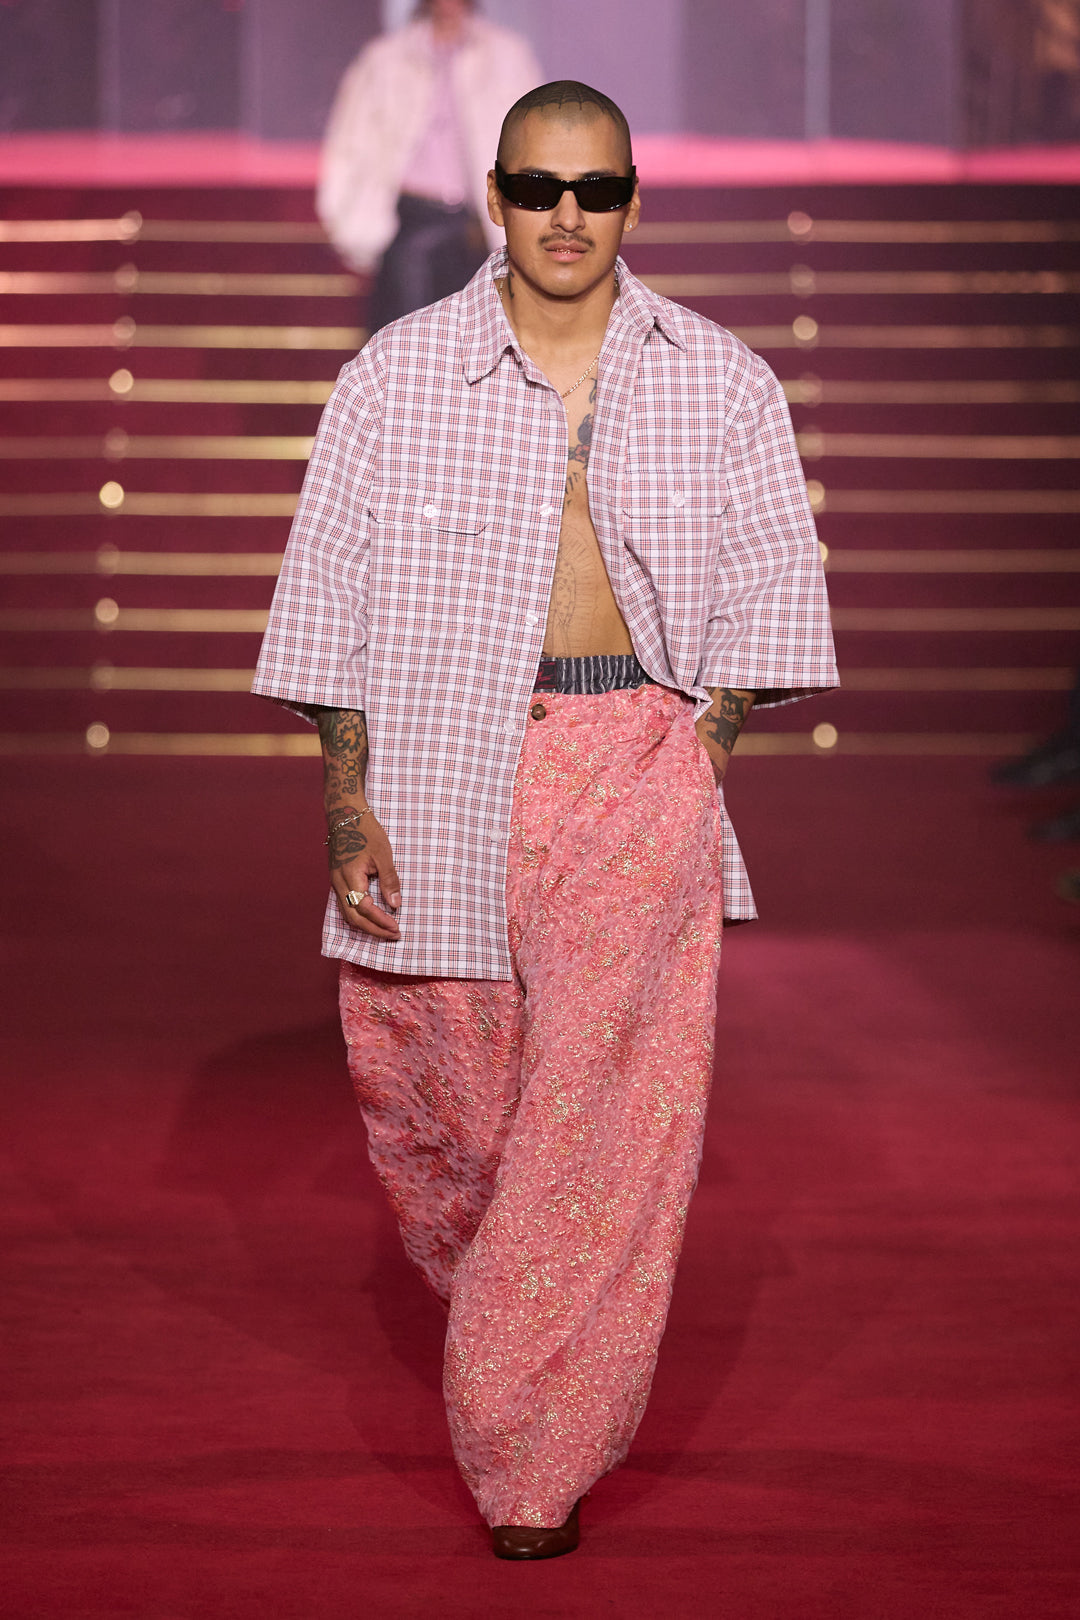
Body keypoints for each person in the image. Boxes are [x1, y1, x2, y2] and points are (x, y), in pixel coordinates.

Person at [254, 80, 837, 1559]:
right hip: (441, 771)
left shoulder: (722, 381)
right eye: (536, 187)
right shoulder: (396, 376)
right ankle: (521, 1328)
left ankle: (529, 1459)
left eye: (595, 188)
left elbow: (776, 581)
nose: (565, 215)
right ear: (496, 199)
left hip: (635, 763)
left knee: (601, 1118)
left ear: (634, 198)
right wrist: (346, 806)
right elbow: (325, 596)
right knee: (445, 1116)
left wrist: (702, 749)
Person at [317, 0, 541, 333]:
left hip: (477, 225)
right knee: (405, 341)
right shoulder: (385, 58)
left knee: (473, 343)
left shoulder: (507, 56)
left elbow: (533, 143)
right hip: (409, 222)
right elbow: (350, 141)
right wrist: (345, 219)